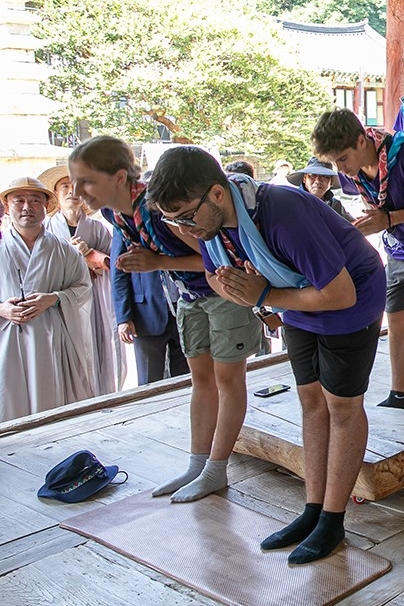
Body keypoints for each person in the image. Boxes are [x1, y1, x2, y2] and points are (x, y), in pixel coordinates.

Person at [146, 145, 385, 565]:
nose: (183, 227)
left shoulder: (282, 210)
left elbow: (340, 293)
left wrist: (263, 295)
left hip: (350, 299)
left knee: (342, 408)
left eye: (186, 215)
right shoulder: (214, 225)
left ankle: (333, 518)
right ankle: (312, 510)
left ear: (218, 194)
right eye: (173, 219)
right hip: (294, 299)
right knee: (312, 403)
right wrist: (243, 291)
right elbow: (215, 276)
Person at [68, 136, 263, 502]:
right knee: (201, 380)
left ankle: (216, 469)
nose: (77, 191)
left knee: (228, 380)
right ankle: (197, 463)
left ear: (119, 177)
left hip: (223, 294)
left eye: (86, 181)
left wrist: (158, 262)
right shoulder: (116, 214)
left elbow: (216, 257)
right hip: (188, 298)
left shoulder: (161, 210)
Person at [312, 109, 404, 413]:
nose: (341, 169)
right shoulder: (349, 170)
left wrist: (390, 218)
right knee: (395, 317)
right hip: (397, 247)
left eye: (342, 159)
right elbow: (372, 202)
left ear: (361, 140)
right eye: (335, 162)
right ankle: (399, 393)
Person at [0, 177, 94, 422]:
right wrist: (2, 309)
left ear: (45, 206)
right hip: (7, 341)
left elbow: (83, 288)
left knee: (51, 405)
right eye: (18, 200)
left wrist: (53, 298)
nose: (26, 207)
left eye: (34, 201)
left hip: (51, 337)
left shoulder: (64, 250)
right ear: (7, 206)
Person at [40, 165, 126, 396]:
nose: (71, 192)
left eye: (76, 186)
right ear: (56, 195)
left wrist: (90, 255)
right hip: (59, 296)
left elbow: (114, 264)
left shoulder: (97, 228)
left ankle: (98, 391)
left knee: (96, 342)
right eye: (64, 187)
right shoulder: (46, 229)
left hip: (93, 294)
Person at [286, 157, 355, 222]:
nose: (318, 181)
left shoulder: (335, 205)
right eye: (313, 175)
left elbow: (353, 226)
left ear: (331, 182)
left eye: (324, 176)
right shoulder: (291, 201)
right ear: (305, 178)